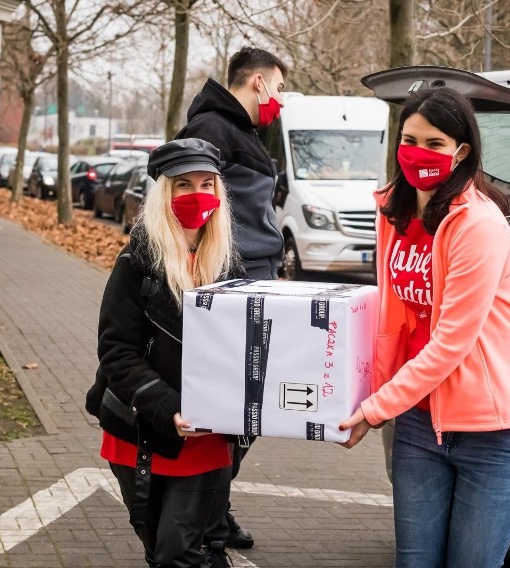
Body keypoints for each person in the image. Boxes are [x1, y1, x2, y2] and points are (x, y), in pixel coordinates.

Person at [339, 87, 510, 568]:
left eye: (434, 143)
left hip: (495, 431)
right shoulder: (393, 210)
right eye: (410, 139)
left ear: (462, 152)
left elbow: (451, 341)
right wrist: (368, 395)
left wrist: (375, 409)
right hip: (419, 424)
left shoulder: (479, 225)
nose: (419, 152)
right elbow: (394, 318)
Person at [86, 138, 238, 568]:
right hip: (138, 434)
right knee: (157, 548)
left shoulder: (228, 265)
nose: (197, 196)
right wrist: (166, 407)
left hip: (206, 439)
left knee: (177, 554)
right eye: (183, 185)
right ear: (163, 194)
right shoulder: (136, 263)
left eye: (207, 184)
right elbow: (116, 352)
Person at [174, 46, 288, 550]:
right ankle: (205, 520)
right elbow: (184, 203)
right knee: (238, 411)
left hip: (249, 277)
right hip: (233, 284)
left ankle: (213, 513)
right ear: (259, 83)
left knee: (245, 412)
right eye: (279, 88)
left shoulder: (234, 130)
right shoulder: (212, 129)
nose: (279, 100)